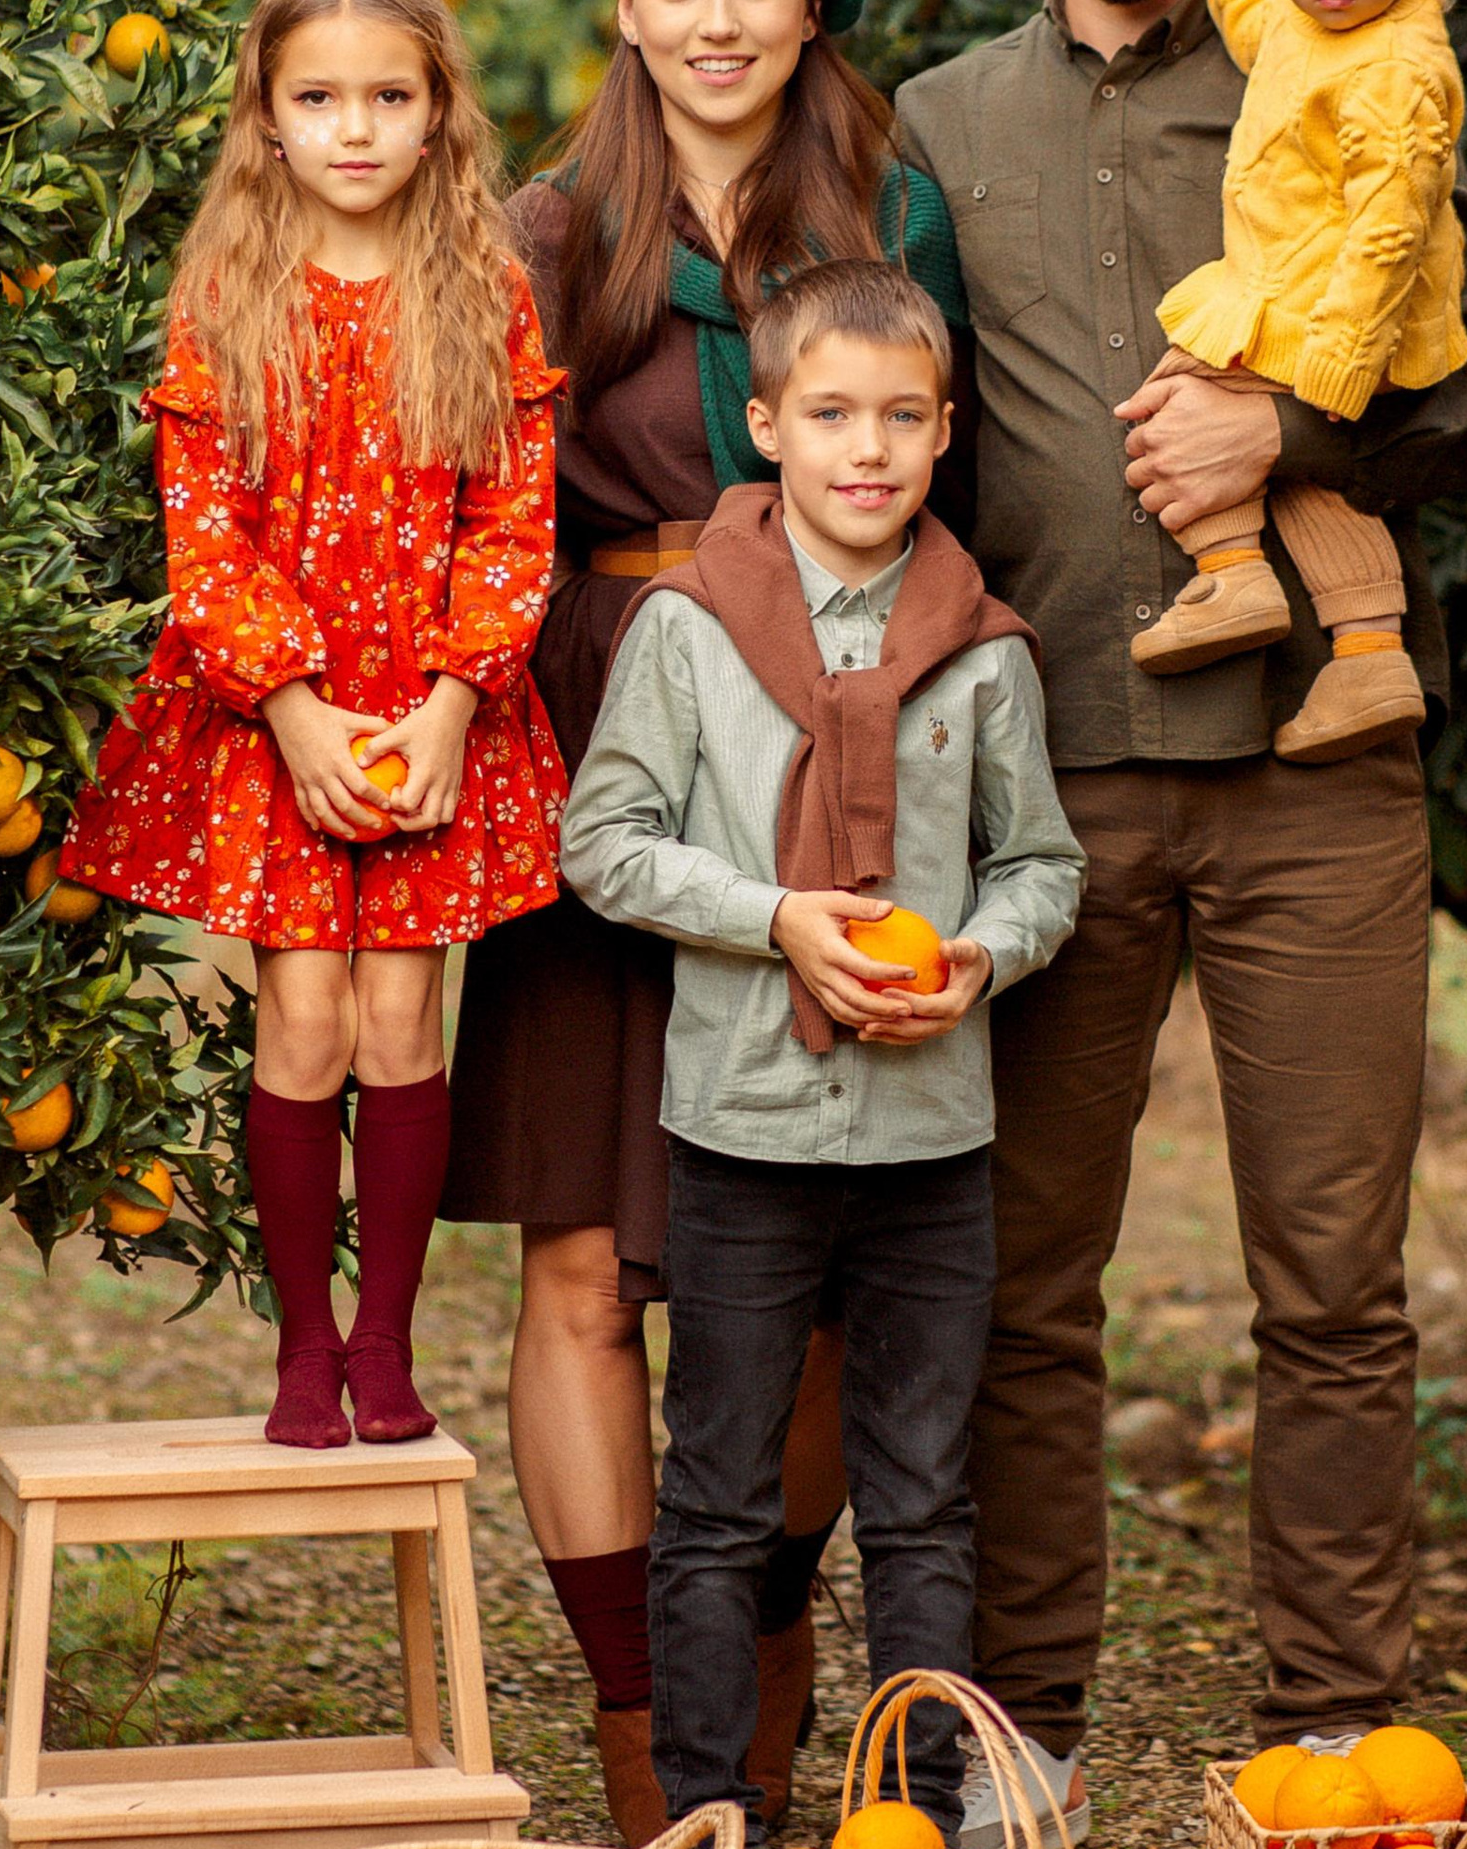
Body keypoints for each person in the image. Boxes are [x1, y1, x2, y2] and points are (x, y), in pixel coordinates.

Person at [890, 0, 1467, 1843]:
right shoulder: (934, 122)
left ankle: (1335, 1734)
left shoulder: (1335, 57)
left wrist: (1302, 421)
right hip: (1045, 786)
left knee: (1330, 1276)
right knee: (1021, 1272)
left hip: (1311, 767)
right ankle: (1020, 1729)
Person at [441, 0, 969, 1842]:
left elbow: (953, 480)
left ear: (805, 1)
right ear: (628, 6)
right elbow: (471, 512)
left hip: (827, 759)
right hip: (601, 747)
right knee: (580, 1262)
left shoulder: (889, 216)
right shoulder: (552, 229)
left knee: (809, 1263)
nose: (716, 15)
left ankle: (749, 1635)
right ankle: (641, 1725)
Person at [559, 260, 1085, 1844]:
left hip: (934, 1141)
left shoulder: (983, 651)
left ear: (944, 435)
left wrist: (983, 957)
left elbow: (1042, 865)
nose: (869, 450)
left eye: (904, 419)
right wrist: (778, 916)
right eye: (834, 415)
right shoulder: (688, 629)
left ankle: (916, 1802)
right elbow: (608, 843)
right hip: (743, 1130)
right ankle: (710, 1800)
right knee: (718, 1494)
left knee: (924, 1498)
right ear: (768, 426)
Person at [62, 0, 566, 1451]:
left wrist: (455, 704)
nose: (357, 126)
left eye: (390, 96)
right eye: (320, 97)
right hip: (273, 714)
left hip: (429, 713)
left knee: (404, 1013)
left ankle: (387, 1344)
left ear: (438, 116)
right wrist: (287, 708)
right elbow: (200, 525)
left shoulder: (482, 289)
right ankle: (302, 1351)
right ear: (267, 119)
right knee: (302, 1018)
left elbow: (512, 518)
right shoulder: (228, 293)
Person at [1133, 0, 1467, 764]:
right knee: (1292, 473)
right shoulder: (1306, 19)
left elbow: (1390, 229)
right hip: (1301, 295)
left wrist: (1336, 360)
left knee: (1183, 393)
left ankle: (1237, 572)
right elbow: (1246, 5)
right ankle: (1363, 651)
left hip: (1346, 320)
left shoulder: (1394, 66)